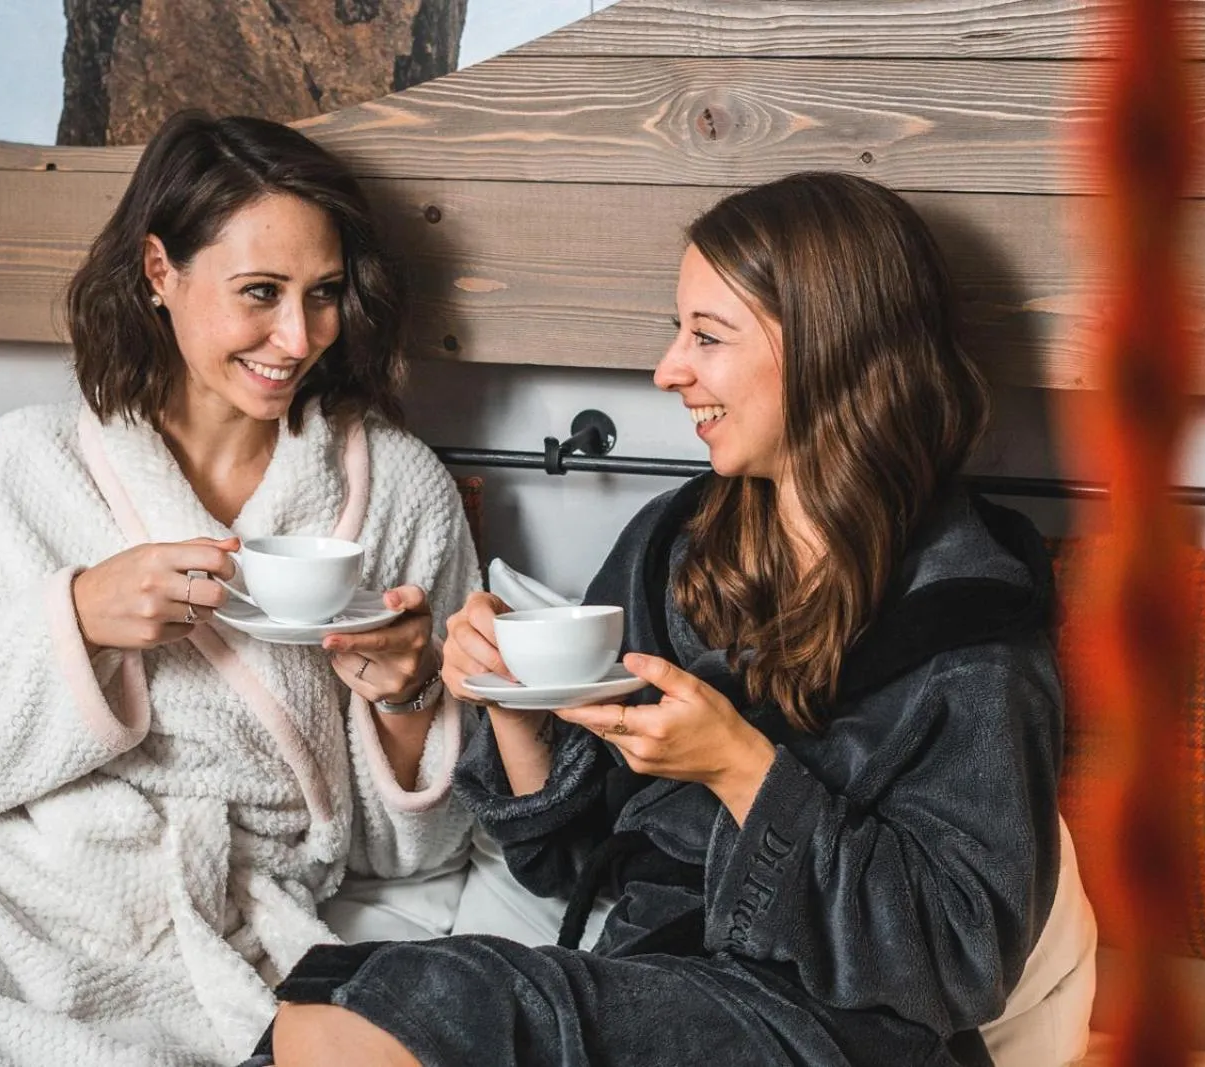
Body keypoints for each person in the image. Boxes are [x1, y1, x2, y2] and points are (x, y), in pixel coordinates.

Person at [257, 172, 1095, 1066]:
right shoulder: (682, 547)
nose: (668, 370)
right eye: (676, 330)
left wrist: (741, 769)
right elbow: (570, 866)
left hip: (835, 1033)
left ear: (828, 347)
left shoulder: (972, 623)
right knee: (340, 1010)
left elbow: (963, 960)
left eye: (708, 335)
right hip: (651, 988)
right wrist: (513, 700)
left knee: (419, 1003)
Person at [0, 111, 478, 1065]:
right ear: (158, 272)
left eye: (325, 294)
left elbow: (416, 856)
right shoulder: (26, 466)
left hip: (204, 919)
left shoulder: (394, 488)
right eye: (259, 292)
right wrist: (79, 619)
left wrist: (407, 695)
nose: (297, 336)